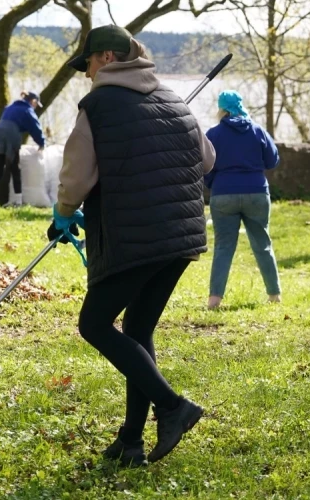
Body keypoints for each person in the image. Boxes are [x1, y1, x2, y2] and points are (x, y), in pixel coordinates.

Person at [49, 24, 216, 467]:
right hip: (180, 237)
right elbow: (207, 160)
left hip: (135, 238)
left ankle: (173, 406)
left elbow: (77, 175)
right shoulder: (172, 100)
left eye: (86, 64)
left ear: (105, 57)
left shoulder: (97, 105)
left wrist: (64, 212)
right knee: (138, 332)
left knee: (95, 324)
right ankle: (131, 442)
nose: (86, 75)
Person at [204, 90, 282, 310]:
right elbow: (273, 160)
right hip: (256, 192)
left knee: (223, 247)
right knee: (262, 244)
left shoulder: (214, 134)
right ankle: (274, 295)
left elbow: (205, 166)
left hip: (223, 194)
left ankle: (214, 300)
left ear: (222, 109)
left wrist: (213, 184)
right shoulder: (257, 130)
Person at [0, 91, 47, 206]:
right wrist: (42, 143)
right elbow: (35, 128)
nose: (36, 107)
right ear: (33, 101)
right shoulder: (28, 110)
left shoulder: (10, 107)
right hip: (11, 134)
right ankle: (18, 201)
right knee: (15, 168)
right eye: (36, 104)